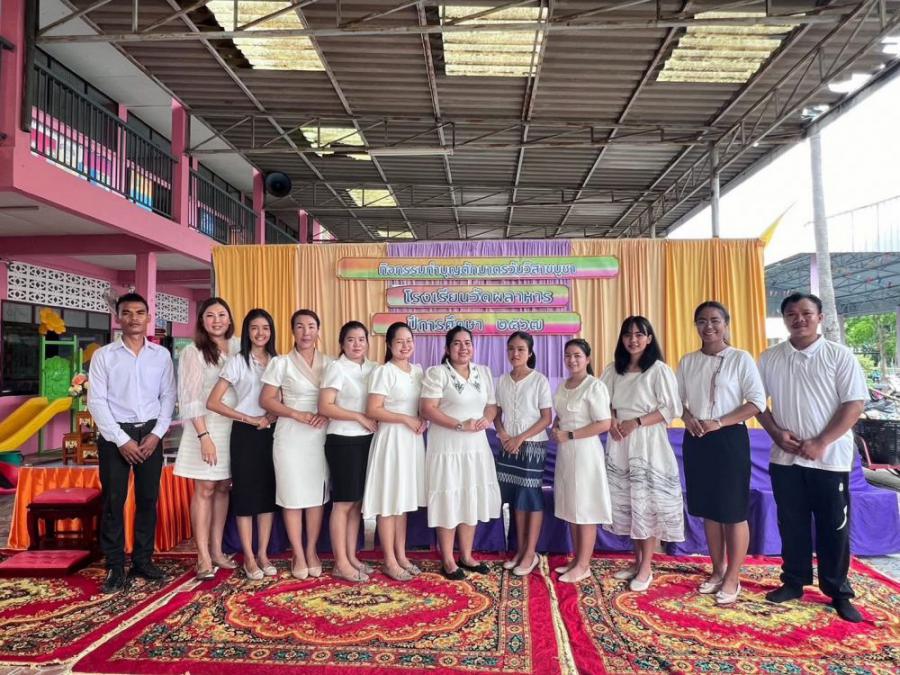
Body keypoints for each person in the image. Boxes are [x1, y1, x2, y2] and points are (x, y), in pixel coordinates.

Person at [757, 293, 867, 623]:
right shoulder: (770, 357)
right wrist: (776, 433)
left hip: (829, 459)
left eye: (806, 313)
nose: (799, 319)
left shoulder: (839, 355)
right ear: (784, 319)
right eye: (791, 314)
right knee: (792, 523)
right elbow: (756, 402)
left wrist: (822, 441)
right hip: (786, 458)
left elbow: (854, 404)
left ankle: (838, 591)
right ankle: (793, 582)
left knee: (834, 525)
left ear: (820, 317)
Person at [676, 301, 766, 605]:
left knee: (732, 510)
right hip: (696, 438)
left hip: (729, 439)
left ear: (726, 323)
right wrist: (688, 418)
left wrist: (719, 422)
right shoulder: (688, 361)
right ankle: (717, 570)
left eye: (715, 320)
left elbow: (756, 402)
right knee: (709, 510)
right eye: (702, 321)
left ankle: (732, 577)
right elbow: (676, 400)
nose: (708, 326)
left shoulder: (741, 358)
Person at [88, 292, 176, 593]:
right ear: (118, 318)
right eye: (127, 312)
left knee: (148, 500)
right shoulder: (104, 356)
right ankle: (114, 566)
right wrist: (121, 439)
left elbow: (168, 396)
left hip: (151, 434)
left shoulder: (161, 355)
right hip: (115, 435)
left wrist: (156, 434)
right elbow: (96, 401)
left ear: (148, 318)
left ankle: (142, 560)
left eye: (140, 313)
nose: (134, 318)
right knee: (114, 501)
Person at [601, 316, 683, 592]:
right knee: (631, 504)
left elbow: (671, 408)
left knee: (646, 504)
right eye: (628, 334)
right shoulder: (614, 370)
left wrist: (636, 422)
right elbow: (603, 401)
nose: (633, 340)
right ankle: (637, 562)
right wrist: (613, 420)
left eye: (639, 334)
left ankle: (646, 566)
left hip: (647, 442)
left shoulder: (658, 370)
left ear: (649, 339)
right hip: (620, 442)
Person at [420, 326, 501, 580]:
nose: (463, 347)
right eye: (457, 343)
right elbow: (427, 409)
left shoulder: (483, 372)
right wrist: (459, 425)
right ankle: (447, 559)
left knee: (470, 497)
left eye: (467, 343)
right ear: (447, 348)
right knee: (449, 499)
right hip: (447, 448)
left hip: (475, 448)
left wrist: (487, 419)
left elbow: (492, 405)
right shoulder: (437, 373)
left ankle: (466, 555)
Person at [207, 308, 278, 580]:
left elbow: (282, 398)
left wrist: (270, 416)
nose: (260, 333)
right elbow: (213, 402)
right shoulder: (238, 361)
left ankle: (263, 554)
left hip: (271, 432)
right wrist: (249, 418)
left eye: (265, 328)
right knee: (246, 497)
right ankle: (248, 556)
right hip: (245, 434)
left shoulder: (277, 361)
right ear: (247, 332)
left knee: (267, 497)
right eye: (254, 328)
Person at [260, 309, 331, 580]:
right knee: (292, 496)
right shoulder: (281, 363)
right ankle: (297, 553)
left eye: (311, 326)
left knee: (315, 497)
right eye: (300, 326)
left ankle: (311, 551)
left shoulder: (330, 363)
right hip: (290, 435)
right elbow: (266, 400)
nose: (306, 332)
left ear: (318, 330)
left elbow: (338, 398)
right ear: (292, 331)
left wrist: (327, 414)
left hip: (319, 435)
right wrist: (295, 413)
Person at [174, 297, 240, 579]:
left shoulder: (239, 347)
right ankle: (202, 555)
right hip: (205, 427)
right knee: (205, 488)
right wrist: (204, 436)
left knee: (223, 487)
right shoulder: (194, 352)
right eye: (210, 315)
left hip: (233, 427)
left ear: (229, 318)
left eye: (221, 315)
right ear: (202, 321)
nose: (217, 321)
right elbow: (189, 399)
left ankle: (217, 550)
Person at [362, 322, 427, 581]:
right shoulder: (384, 371)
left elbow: (423, 405)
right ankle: (389, 560)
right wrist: (405, 418)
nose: (405, 345)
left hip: (412, 441)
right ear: (389, 345)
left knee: (403, 501)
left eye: (408, 340)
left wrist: (423, 418)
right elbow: (373, 409)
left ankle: (401, 555)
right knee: (389, 501)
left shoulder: (418, 371)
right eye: (399, 341)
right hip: (392, 439)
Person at [318, 321, 378, 583]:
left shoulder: (374, 368)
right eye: (351, 340)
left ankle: (352, 557)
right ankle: (340, 562)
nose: (357, 344)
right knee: (343, 503)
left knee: (356, 503)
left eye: (361, 339)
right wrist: (358, 416)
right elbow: (325, 406)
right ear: (342, 344)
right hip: (343, 440)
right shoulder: (336, 367)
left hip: (368, 440)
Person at [552, 338, 613, 584]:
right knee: (571, 507)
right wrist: (557, 426)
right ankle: (576, 559)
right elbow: (561, 415)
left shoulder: (594, 386)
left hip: (585, 452)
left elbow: (604, 423)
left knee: (585, 508)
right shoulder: (563, 385)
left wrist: (570, 434)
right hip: (566, 453)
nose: (572, 360)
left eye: (577, 355)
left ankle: (584, 564)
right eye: (568, 355)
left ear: (587, 359)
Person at [495, 331, 553, 576]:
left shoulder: (539, 380)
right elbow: (496, 414)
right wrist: (503, 434)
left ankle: (531, 554)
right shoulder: (502, 380)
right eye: (511, 349)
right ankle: (520, 551)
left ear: (529, 353)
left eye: (520, 349)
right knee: (516, 498)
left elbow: (547, 418)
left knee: (530, 497)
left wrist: (520, 438)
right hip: (508, 446)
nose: (515, 353)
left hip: (532, 446)